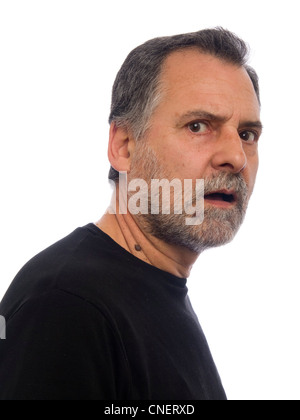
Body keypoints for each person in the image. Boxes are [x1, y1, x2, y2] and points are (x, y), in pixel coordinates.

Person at [0, 28, 262, 400]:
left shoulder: (157, 282)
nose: (236, 157)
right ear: (123, 146)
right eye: (198, 126)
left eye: (247, 134)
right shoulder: (67, 306)